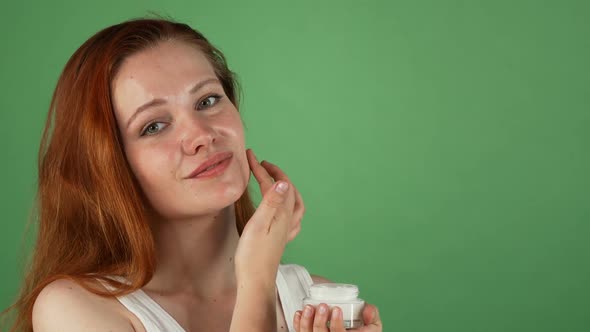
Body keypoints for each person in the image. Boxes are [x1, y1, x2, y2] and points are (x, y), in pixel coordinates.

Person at [2, 17, 382, 332]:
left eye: (208, 100)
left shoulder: (323, 303)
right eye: (153, 126)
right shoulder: (76, 311)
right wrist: (256, 282)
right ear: (109, 165)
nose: (202, 135)